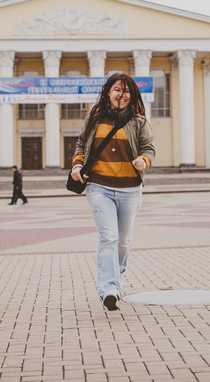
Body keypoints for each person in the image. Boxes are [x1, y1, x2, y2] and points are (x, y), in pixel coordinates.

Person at [70, 73, 155, 312]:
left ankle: (114, 283)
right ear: (108, 92)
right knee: (109, 237)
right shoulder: (94, 118)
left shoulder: (138, 121)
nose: (122, 95)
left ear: (132, 95)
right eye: (117, 89)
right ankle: (109, 289)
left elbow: (149, 148)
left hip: (130, 190)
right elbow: (80, 144)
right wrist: (77, 165)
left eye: (127, 91)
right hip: (99, 187)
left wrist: (144, 160)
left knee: (124, 242)